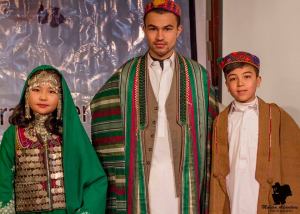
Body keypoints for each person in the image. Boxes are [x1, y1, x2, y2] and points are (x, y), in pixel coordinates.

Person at [90, 0, 218, 213]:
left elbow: (213, 131)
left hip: (184, 182)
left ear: (179, 30)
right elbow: (102, 112)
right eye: (153, 29)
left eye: (167, 29)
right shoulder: (125, 76)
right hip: (140, 180)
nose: (160, 37)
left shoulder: (197, 76)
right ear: (144, 30)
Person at [0, 65, 107, 213]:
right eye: (36, 89)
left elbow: (95, 180)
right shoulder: (13, 135)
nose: (43, 97)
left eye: (52, 91)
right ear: (26, 94)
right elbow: (3, 180)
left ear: (61, 98)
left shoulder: (70, 134)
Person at [209, 51, 300, 214]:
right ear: (227, 85)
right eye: (233, 78)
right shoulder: (220, 121)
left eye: (247, 76)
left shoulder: (276, 116)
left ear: (258, 81)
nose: (240, 83)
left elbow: (293, 159)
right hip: (233, 191)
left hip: (263, 194)